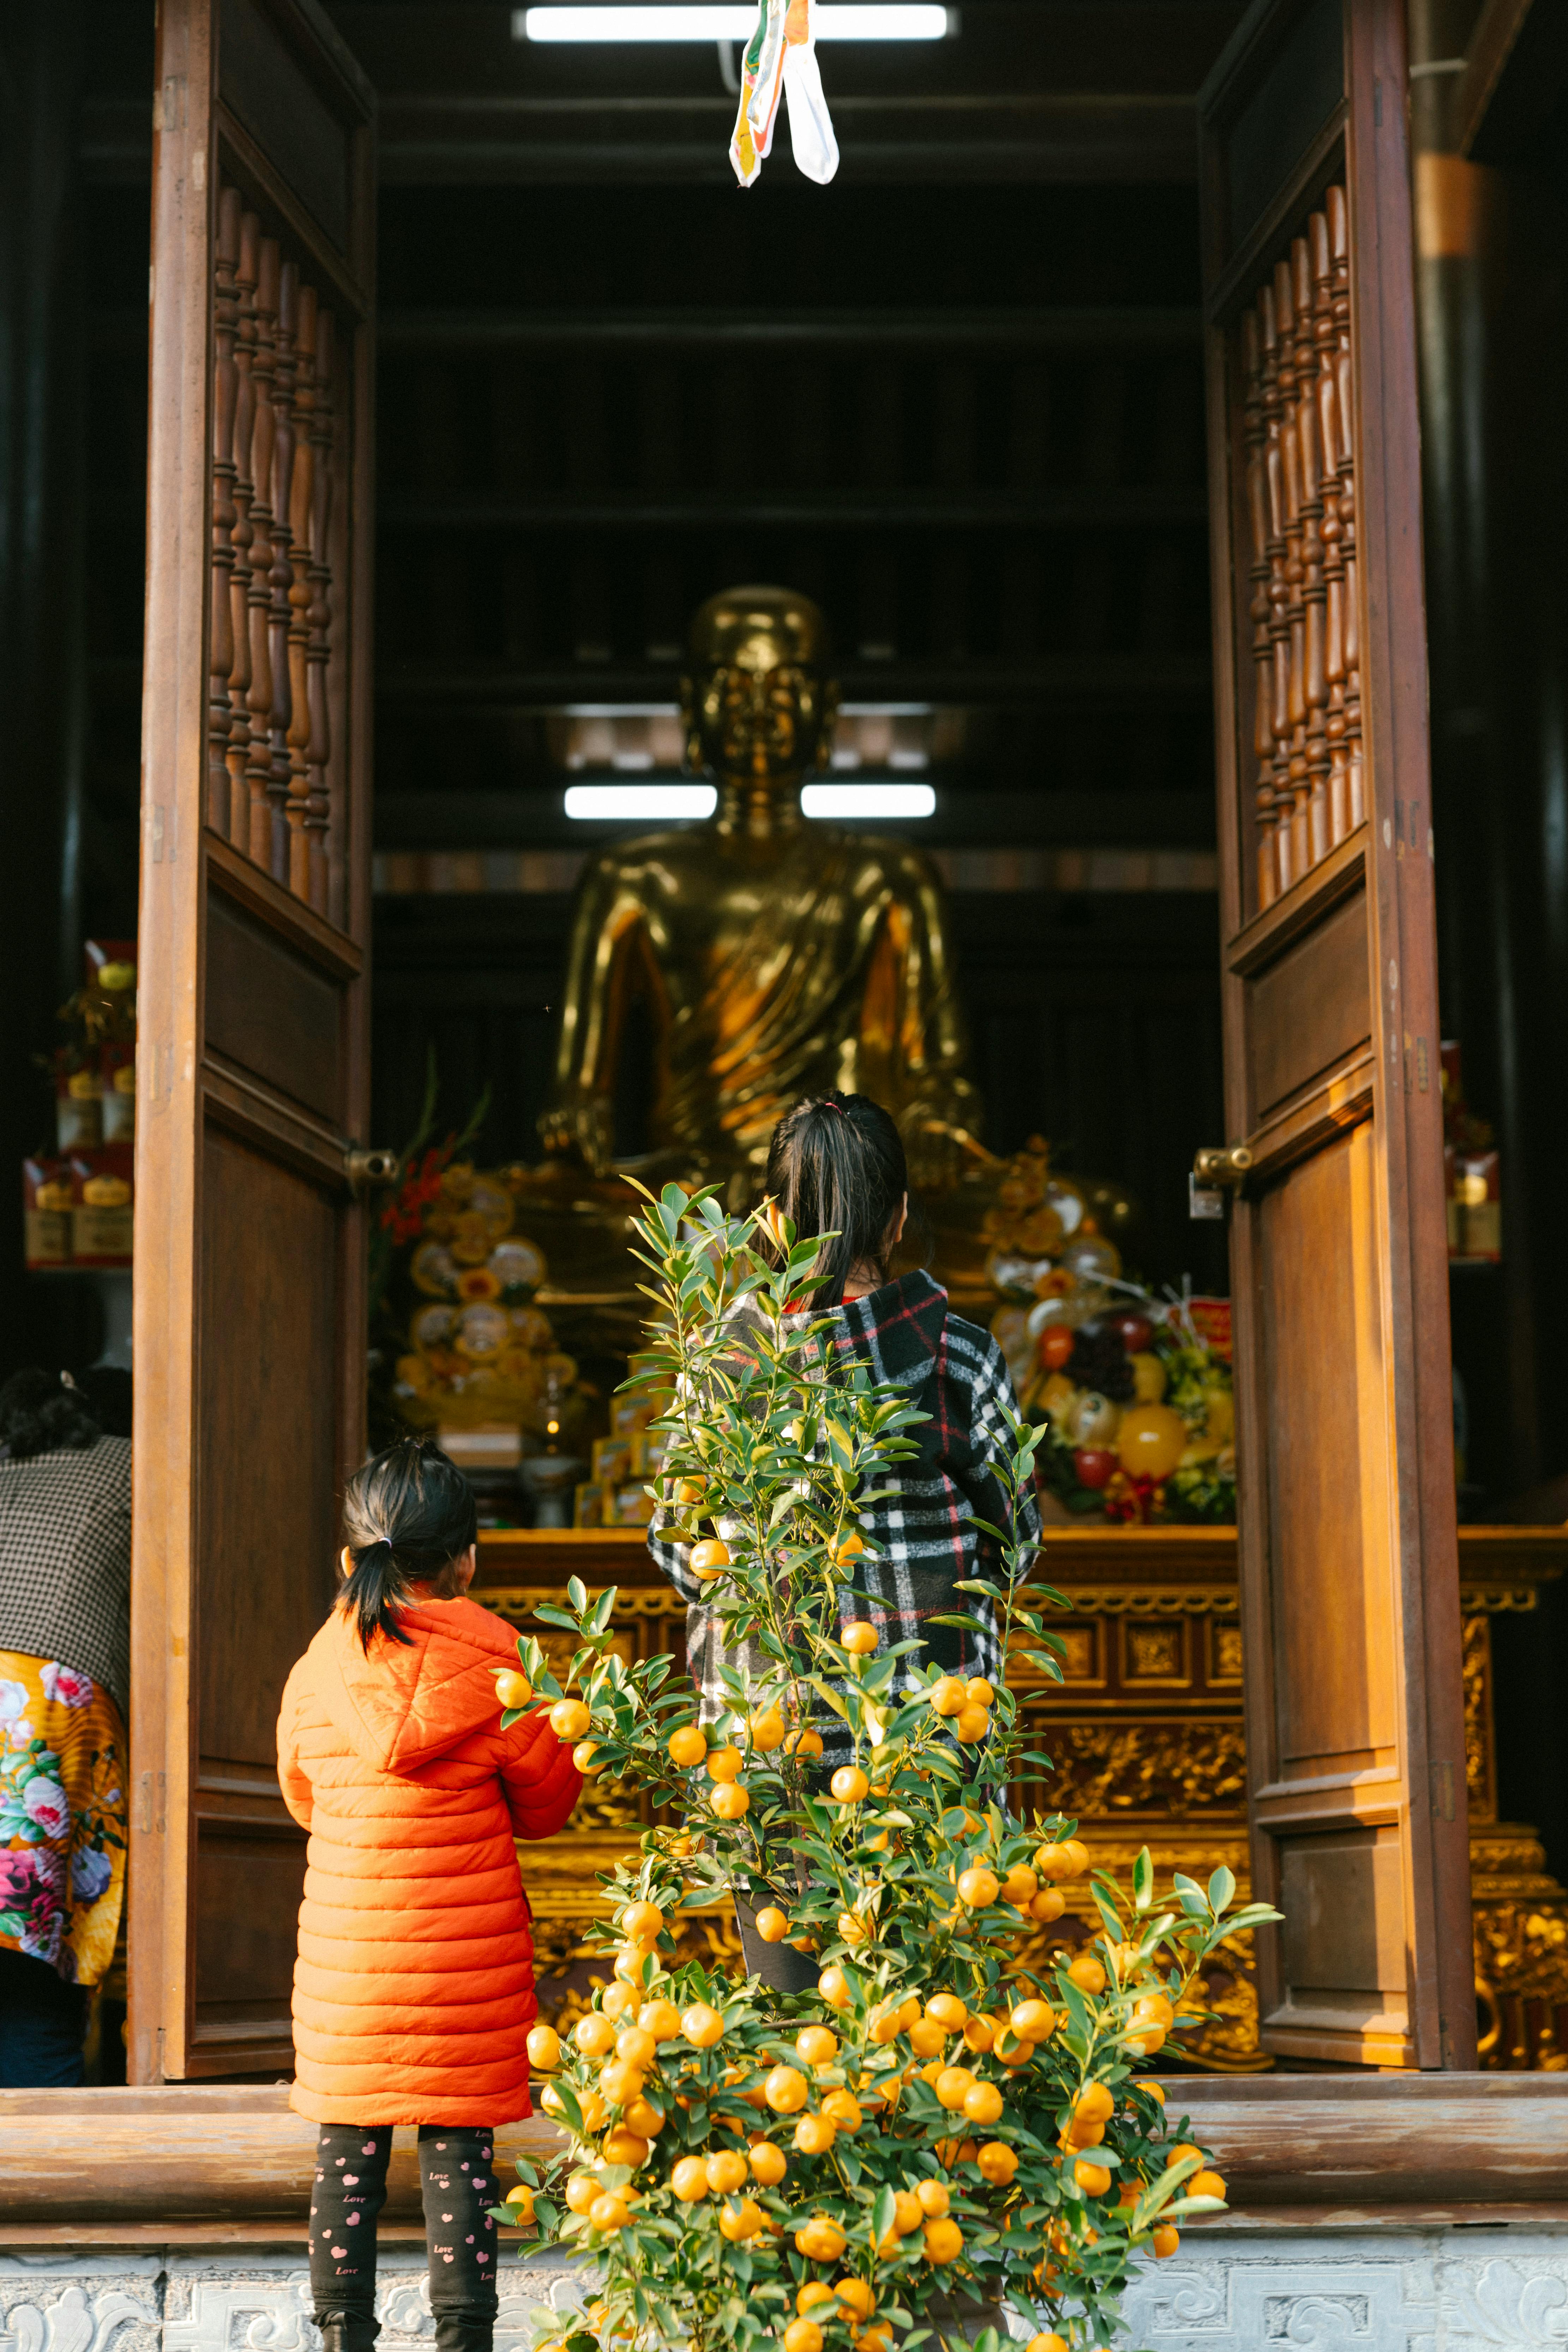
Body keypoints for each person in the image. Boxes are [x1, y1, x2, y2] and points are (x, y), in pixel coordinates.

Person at [647, 1090, 1041, 1990]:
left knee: (791, 2032)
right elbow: (1015, 1543)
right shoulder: (956, 1355)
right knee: (928, 2027)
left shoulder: (723, 1364)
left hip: (765, 1742)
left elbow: (676, 1547)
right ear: (899, 1216)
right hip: (928, 1737)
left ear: (774, 1224)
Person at [277, 1437, 581, 2352]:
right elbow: (548, 1805)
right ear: (468, 1560)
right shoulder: (508, 1668)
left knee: (346, 2169)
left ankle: (341, 2335)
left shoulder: (314, 1673)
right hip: (466, 1974)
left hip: (350, 1972)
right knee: (461, 2167)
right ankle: (463, 2338)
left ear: (351, 1559)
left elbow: (302, 1797)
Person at [0, 1366, 132, 2087]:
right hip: (39, 1711)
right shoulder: (139, 1466)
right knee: (35, 1987)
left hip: (34, 1707)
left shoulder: (6, 1466)